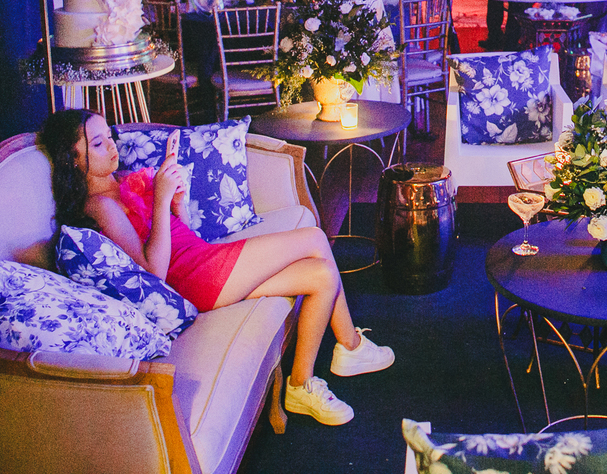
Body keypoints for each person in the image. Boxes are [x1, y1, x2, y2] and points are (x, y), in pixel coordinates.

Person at [40, 110, 394, 426]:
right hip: (196, 279)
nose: (111, 147)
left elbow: (180, 236)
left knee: (322, 276)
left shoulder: (122, 184)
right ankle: (350, 347)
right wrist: (160, 200)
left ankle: (301, 385)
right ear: (72, 159)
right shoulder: (101, 206)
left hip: (202, 261)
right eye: (98, 144)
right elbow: (153, 273)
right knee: (314, 238)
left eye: (109, 137)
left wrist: (177, 203)